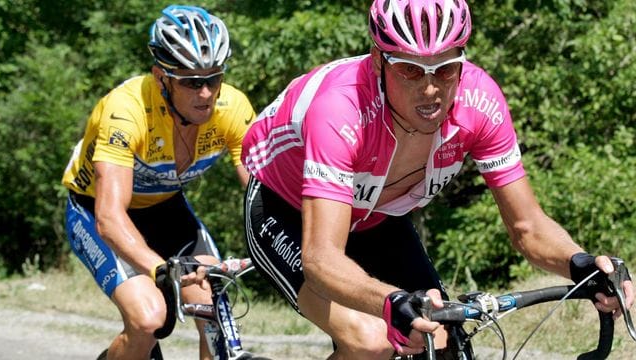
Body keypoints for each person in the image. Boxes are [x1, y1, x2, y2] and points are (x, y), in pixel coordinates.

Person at [241, 0, 634, 359]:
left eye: (445, 70)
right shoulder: (340, 108)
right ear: (380, 60)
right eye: (411, 70)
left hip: (379, 216)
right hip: (286, 207)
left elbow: (527, 226)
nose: (430, 89)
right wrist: (389, 300)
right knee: (372, 341)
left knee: (442, 343)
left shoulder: (480, 103)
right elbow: (321, 258)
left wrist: (580, 264)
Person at [62, 5, 256, 360]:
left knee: (214, 306)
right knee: (149, 319)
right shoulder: (126, 111)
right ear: (161, 77)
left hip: (166, 208)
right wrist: (159, 270)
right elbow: (110, 217)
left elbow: (261, 195)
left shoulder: (232, 108)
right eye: (191, 82)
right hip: (96, 210)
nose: (206, 93)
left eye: (214, 79)